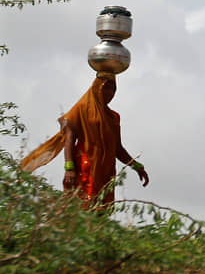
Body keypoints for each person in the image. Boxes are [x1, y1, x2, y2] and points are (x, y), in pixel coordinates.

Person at [20, 75, 149, 205]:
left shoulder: (114, 117)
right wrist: (69, 168)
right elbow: (69, 140)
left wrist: (136, 166)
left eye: (113, 89)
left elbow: (117, 148)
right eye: (106, 88)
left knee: (101, 212)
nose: (110, 93)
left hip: (106, 172)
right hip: (85, 168)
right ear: (97, 88)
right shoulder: (81, 109)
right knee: (81, 207)